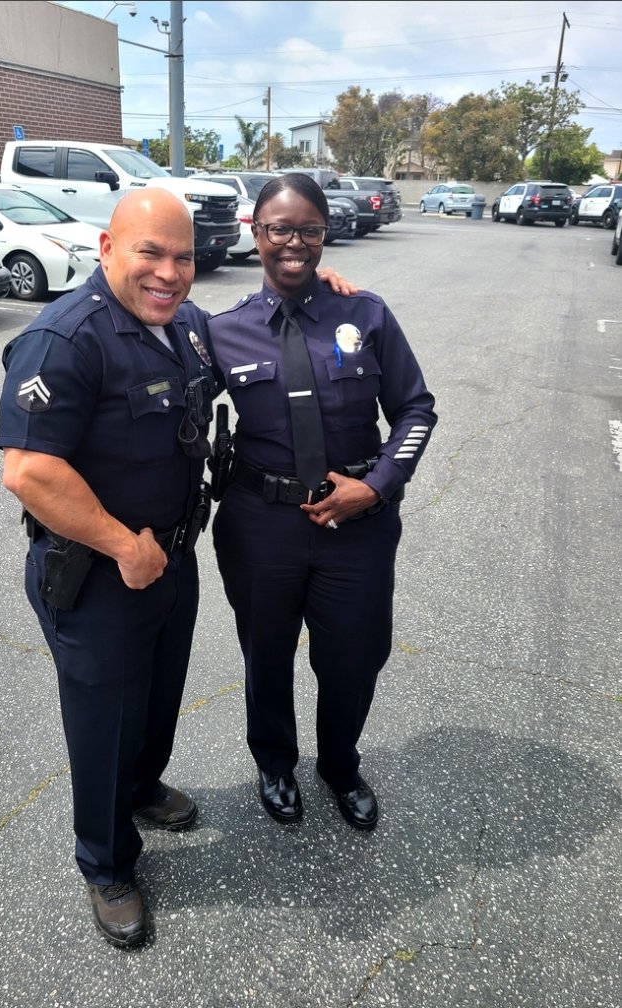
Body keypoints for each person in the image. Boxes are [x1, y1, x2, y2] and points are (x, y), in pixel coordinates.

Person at [0, 186, 352, 950]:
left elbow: (258, 343)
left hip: (171, 557)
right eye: (149, 253)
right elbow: (29, 471)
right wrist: (125, 546)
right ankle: (106, 862)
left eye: (183, 256)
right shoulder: (67, 339)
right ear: (106, 249)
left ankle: (141, 787)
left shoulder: (185, 326)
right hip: (98, 572)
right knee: (101, 721)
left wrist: (322, 291)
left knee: (158, 698)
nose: (168, 272)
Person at [207, 173, 437, 831]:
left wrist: (380, 483)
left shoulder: (365, 315)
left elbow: (416, 407)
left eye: (308, 228)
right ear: (256, 233)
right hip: (261, 526)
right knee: (267, 654)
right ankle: (275, 763)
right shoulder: (220, 332)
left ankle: (341, 765)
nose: (294, 241)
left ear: (323, 234)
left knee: (353, 656)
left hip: (357, 527)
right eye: (280, 227)